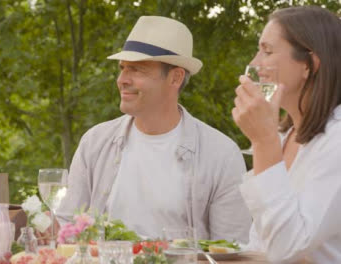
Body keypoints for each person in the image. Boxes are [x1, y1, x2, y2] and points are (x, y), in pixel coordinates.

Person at [54, 16, 251, 241]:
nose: (122, 80)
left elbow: (232, 250)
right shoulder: (95, 142)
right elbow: (66, 230)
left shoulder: (221, 155)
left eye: (137, 70)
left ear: (175, 78)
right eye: (122, 68)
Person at [233, 6, 341, 263]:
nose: (254, 64)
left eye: (267, 51)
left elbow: (286, 248)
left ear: (309, 65)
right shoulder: (284, 136)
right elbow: (262, 245)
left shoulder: (336, 141)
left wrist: (262, 141)